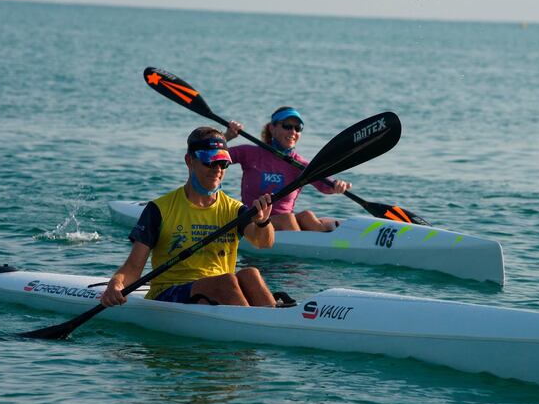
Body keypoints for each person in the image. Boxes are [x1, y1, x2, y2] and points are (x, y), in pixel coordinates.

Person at [101, 127, 277, 308]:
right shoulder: (159, 209)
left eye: (223, 163)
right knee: (226, 282)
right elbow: (133, 268)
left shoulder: (235, 209)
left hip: (221, 291)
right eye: (210, 162)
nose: (217, 169)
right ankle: (255, 328)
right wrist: (115, 284)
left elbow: (264, 242)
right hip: (169, 292)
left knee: (251, 274)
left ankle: (273, 325)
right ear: (189, 161)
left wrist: (263, 221)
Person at [224, 106, 352, 232]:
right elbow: (213, 157)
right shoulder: (249, 153)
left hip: (285, 224)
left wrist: (336, 185)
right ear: (272, 128)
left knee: (307, 216)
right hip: (253, 221)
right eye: (287, 126)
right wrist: (226, 137)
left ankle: (325, 246)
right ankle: (307, 249)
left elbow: (324, 185)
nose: (293, 131)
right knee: (287, 219)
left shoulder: (299, 164)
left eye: (298, 128)